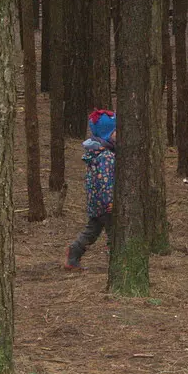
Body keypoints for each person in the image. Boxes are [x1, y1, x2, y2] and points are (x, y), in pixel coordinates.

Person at [66, 109, 116, 270]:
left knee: (92, 231)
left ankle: (74, 254)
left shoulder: (95, 153)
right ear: (107, 134)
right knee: (114, 233)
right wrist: (111, 202)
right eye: (115, 131)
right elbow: (106, 182)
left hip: (95, 202)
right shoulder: (106, 157)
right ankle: (117, 263)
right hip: (106, 204)